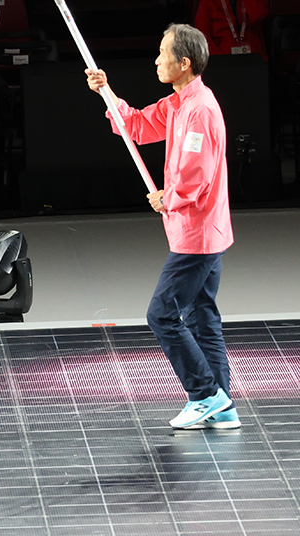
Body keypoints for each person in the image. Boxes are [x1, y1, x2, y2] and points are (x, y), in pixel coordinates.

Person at [85, 23, 237, 430]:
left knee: (162, 315)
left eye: (162, 53)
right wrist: (107, 92)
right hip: (202, 230)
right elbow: (135, 125)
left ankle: (204, 394)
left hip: (198, 234)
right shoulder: (180, 104)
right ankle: (221, 405)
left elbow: (196, 173)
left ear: (183, 63)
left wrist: (166, 197)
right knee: (203, 316)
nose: (156, 60)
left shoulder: (200, 109)